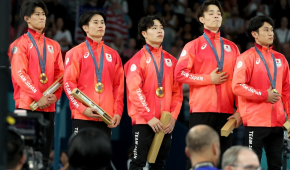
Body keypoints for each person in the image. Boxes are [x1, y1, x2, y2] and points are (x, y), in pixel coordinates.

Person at [174, 0, 241, 168]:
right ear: (201, 19)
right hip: (201, 110)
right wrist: (208, 79)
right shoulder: (193, 45)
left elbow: (240, 81)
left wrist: (240, 110)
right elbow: (179, 74)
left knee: (224, 159)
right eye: (211, 13)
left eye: (218, 12)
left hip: (227, 112)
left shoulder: (232, 47)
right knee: (198, 158)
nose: (216, 15)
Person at [232, 15, 290, 170]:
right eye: (266, 30)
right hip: (255, 122)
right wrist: (264, 95)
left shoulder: (281, 59)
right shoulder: (246, 58)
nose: (271, 33)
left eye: (272, 30)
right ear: (255, 34)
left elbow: (288, 91)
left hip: (277, 122)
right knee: (251, 166)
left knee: (276, 165)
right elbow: (238, 86)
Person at [8, 0, 64, 167]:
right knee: (24, 157)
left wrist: (55, 96)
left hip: (48, 107)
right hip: (28, 107)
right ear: (27, 18)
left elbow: (61, 76)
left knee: (45, 158)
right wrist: (38, 97)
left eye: (43, 14)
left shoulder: (54, 46)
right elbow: (19, 74)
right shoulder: (19, 45)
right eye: (37, 14)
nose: (42, 18)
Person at [124, 15, 183, 170]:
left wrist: (173, 117)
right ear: (144, 33)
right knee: (138, 163)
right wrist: (149, 117)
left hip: (164, 122)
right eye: (154, 28)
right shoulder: (137, 60)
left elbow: (177, 93)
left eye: (161, 28)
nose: (159, 31)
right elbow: (134, 91)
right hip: (144, 121)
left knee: (159, 164)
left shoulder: (171, 61)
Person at [64, 10, 124, 138]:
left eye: (102, 22)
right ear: (85, 28)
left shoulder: (114, 55)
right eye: (96, 22)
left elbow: (119, 87)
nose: (100, 25)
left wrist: (118, 111)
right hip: (82, 116)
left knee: (102, 157)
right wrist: (82, 109)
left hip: (106, 117)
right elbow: (68, 84)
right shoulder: (75, 53)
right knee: (81, 157)